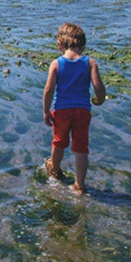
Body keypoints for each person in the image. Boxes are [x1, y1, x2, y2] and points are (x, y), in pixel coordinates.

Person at [43, 22, 106, 195]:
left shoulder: (56, 63)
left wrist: (46, 111)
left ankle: (54, 170)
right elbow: (98, 86)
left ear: (60, 44)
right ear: (82, 45)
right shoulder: (89, 63)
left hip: (62, 111)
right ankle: (79, 185)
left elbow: (49, 89)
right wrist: (99, 100)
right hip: (82, 111)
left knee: (59, 143)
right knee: (81, 148)